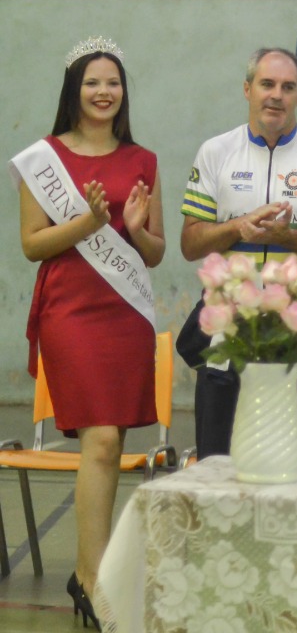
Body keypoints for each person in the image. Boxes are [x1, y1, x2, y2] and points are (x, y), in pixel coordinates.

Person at [12, 37, 165, 629]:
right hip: (70, 311)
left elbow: (151, 253)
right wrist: (90, 222)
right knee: (100, 441)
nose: (105, 92)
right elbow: (32, 246)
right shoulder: (41, 159)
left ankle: (87, 575)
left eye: (114, 82)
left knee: (109, 444)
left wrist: (129, 226)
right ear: (74, 90)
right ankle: (94, 578)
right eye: (93, 82)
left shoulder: (143, 159)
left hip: (123, 310)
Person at [180, 48, 297, 461]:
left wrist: (290, 237)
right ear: (247, 89)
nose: (276, 95)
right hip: (229, 323)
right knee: (218, 458)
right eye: (267, 84)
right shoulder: (215, 152)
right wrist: (236, 227)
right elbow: (191, 243)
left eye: (288, 87)